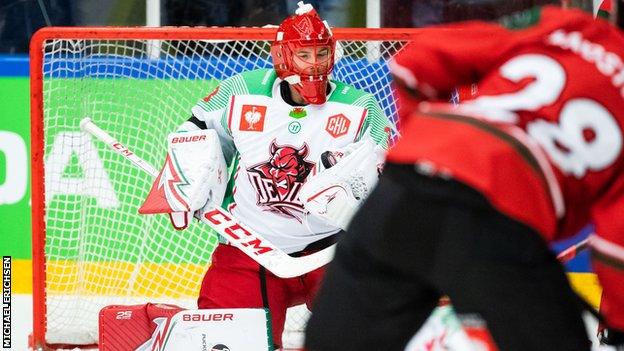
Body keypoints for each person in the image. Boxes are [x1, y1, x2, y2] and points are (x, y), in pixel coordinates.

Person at [305, 2, 624, 351]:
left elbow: (417, 62)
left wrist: (429, 148)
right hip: (499, 221)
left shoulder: (563, 26)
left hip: (403, 190)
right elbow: (616, 242)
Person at [174, 2, 391, 348]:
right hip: (250, 248)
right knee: (226, 342)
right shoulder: (242, 91)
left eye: (322, 53)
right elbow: (194, 133)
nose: (316, 64)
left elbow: (386, 172)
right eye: (305, 54)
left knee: (367, 338)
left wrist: (356, 194)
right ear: (283, 57)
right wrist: (184, 181)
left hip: (332, 251)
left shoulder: (360, 107)